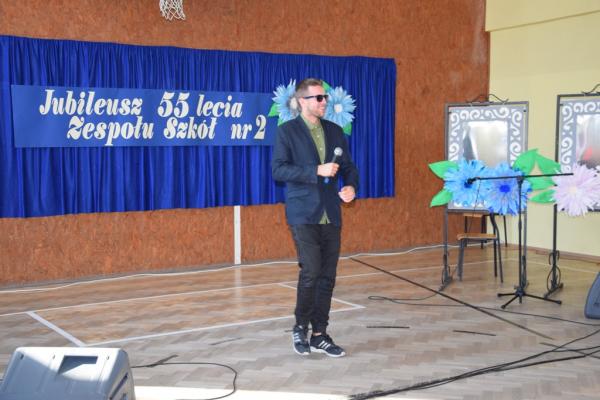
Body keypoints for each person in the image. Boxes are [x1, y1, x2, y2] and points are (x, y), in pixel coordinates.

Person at [271, 78, 359, 357]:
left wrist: (350, 187)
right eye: (318, 98)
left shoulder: (334, 131)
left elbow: (348, 167)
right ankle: (300, 327)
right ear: (302, 101)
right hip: (303, 212)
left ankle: (320, 334)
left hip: (330, 213)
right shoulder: (287, 132)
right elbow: (278, 170)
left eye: (325, 97)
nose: (324, 102)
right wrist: (315, 171)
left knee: (327, 276)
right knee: (311, 271)